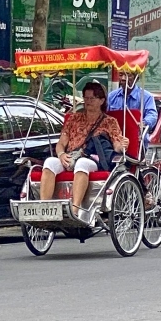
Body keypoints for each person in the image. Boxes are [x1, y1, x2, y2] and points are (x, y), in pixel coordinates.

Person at [39, 81, 128, 218]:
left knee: (81, 163)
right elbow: (61, 143)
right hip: (70, 157)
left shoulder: (109, 121)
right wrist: (61, 154)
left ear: (101, 100)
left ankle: (75, 210)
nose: (88, 101)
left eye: (92, 98)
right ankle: (44, 209)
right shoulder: (74, 118)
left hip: (92, 159)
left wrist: (122, 145)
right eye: (86, 98)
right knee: (49, 162)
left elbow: (116, 144)